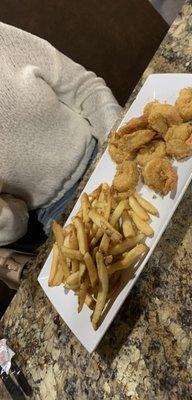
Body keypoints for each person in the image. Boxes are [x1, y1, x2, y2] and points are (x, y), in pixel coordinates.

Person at [0, 22, 122, 248]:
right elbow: (18, 225)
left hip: (105, 147)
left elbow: (86, 88)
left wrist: (117, 149)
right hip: (59, 211)